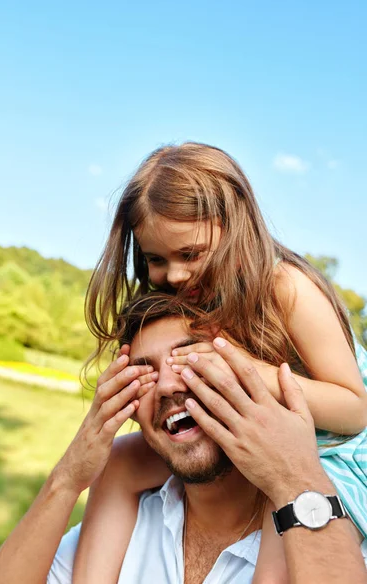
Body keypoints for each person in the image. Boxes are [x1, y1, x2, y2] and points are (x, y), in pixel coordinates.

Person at [75, 142, 367, 582]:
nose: (173, 275)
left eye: (189, 254)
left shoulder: (285, 286)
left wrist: (256, 373)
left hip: (332, 450)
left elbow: (355, 408)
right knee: (122, 462)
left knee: (278, 549)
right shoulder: (193, 292)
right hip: (251, 433)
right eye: (156, 259)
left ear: (234, 228)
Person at [0, 294, 367, 584]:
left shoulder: (333, 549)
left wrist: (293, 479)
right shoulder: (124, 522)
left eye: (189, 360)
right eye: (143, 376)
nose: (167, 385)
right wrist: (67, 478)